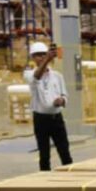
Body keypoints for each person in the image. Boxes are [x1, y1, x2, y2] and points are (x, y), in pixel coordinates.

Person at [26, 42, 73, 171]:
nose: (41, 57)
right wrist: (47, 59)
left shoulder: (57, 76)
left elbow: (65, 94)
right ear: (32, 58)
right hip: (41, 120)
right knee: (44, 154)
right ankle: (44, 179)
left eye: (43, 54)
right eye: (38, 55)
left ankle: (70, 177)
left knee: (64, 151)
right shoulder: (29, 74)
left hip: (56, 118)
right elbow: (36, 78)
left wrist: (62, 100)